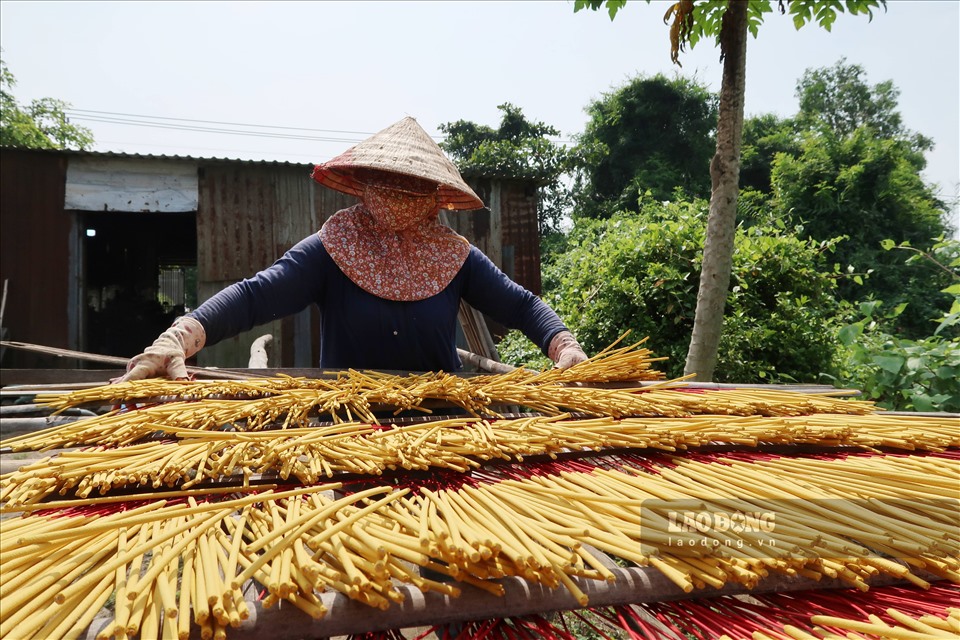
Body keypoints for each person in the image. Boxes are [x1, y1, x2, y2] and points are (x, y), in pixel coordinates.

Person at [117, 117, 587, 382]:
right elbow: (254, 295)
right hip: (349, 428)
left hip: (444, 423)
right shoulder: (333, 247)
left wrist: (565, 346)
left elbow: (523, 305)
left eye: (412, 186)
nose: (398, 194)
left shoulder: (455, 255)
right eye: (388, 183)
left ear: (434, 195)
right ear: (366, 183)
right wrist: (179, 338)